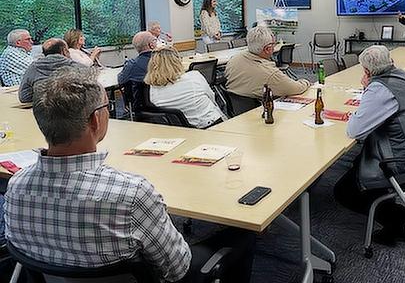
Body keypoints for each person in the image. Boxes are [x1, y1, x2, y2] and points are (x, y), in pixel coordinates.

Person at [4, 68, 255, 283]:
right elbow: (177, 269)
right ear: (95, 120)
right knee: (243, 233)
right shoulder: (131, 193)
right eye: (107, 107)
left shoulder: (16, 186)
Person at [334, 45, 405, 244]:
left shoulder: (380, 89)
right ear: (391, 62)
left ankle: (402, 219)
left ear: (366, 71)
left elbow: (355, 130)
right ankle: (396, 208)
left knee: (343, 191)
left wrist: (367, 90)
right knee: (357, 161)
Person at [145, 47, 226, 128]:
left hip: (183, 131)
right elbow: (212, 97)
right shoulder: (194, 76)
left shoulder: (153, 89)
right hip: (211, 124)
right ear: (177, 61)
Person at [225, 26, 310, 98]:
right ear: (267, 49)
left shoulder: (233, 60)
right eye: (274, 44)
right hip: (260, 112)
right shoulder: (271, 75)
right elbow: (297, 88)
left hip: (236, 113)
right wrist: (305, 82)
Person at [19, 38, 79, 103]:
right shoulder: (77, 67)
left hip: (42, 109)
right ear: (64, 51)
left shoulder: (33, 67)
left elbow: (24, 97)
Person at [118, 31, 157, 110]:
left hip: (143, 107)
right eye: (154, 40)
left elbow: (121, 80)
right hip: (166, 102)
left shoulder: (131, 65)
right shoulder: (164, 62)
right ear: (151, 45)